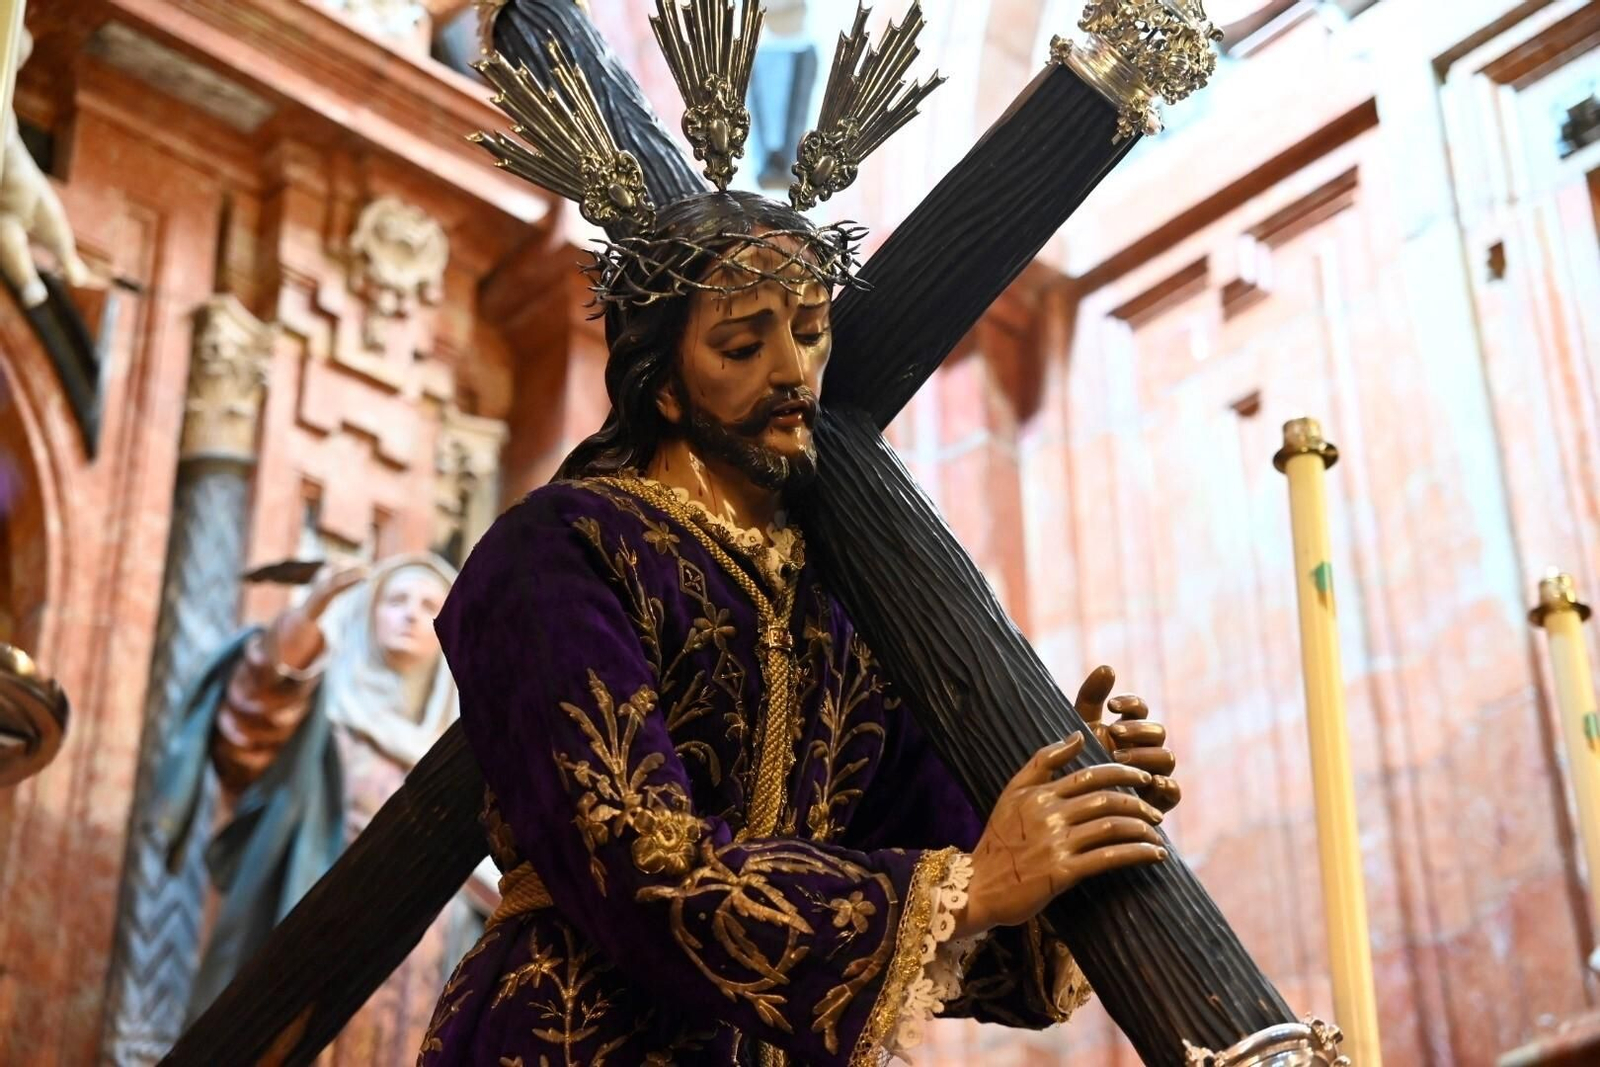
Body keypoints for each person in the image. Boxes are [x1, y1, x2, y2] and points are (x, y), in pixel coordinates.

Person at [418, 188, 1183, 1065]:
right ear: (664, 386)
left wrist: (1074, 816)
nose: (792, 370)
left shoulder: (848, 602)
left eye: (812, 330)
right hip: (578, 1032)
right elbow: (633, 852)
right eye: (742, 345)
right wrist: (971, 886)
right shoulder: (560, 548)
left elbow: (956, 868)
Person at [152, 553, 496, 1063]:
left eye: (428, 605)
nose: (408, 614)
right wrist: (309, 613)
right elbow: (250, 723)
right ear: (368, 612)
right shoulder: (327, 719)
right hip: (313, 926)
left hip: (416, 961)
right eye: (395, 599)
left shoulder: (466, 752)